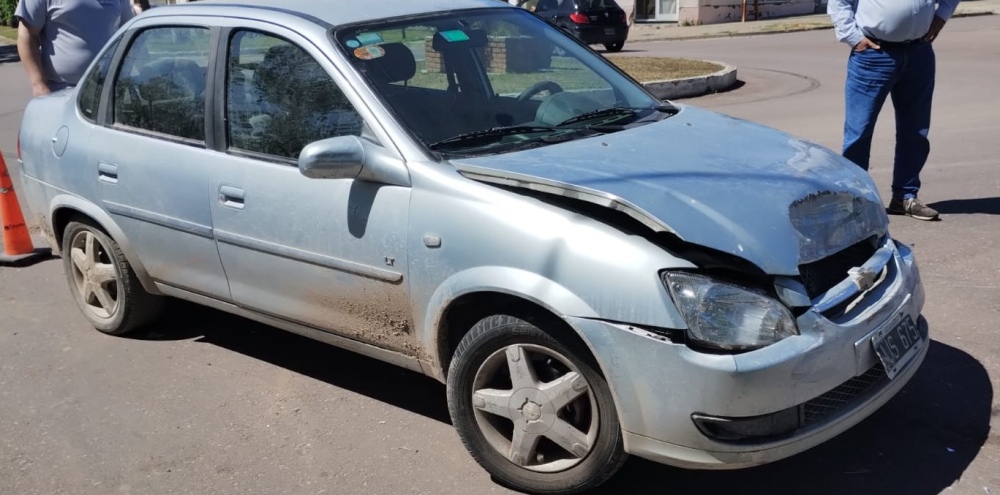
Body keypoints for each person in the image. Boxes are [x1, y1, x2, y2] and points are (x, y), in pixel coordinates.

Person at [827, 0, 959, 221]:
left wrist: (941, 16)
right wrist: (853, 37)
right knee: (859, 131)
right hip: (873, 55)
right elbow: (839, 2)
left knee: (915, 130)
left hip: (919, 51)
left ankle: (905, 196)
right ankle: (855, 200)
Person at [16, 0, 134, 97]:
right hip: (60, 92)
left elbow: (129, 31)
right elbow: (27, 35)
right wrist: (39, 84)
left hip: (106, 92)